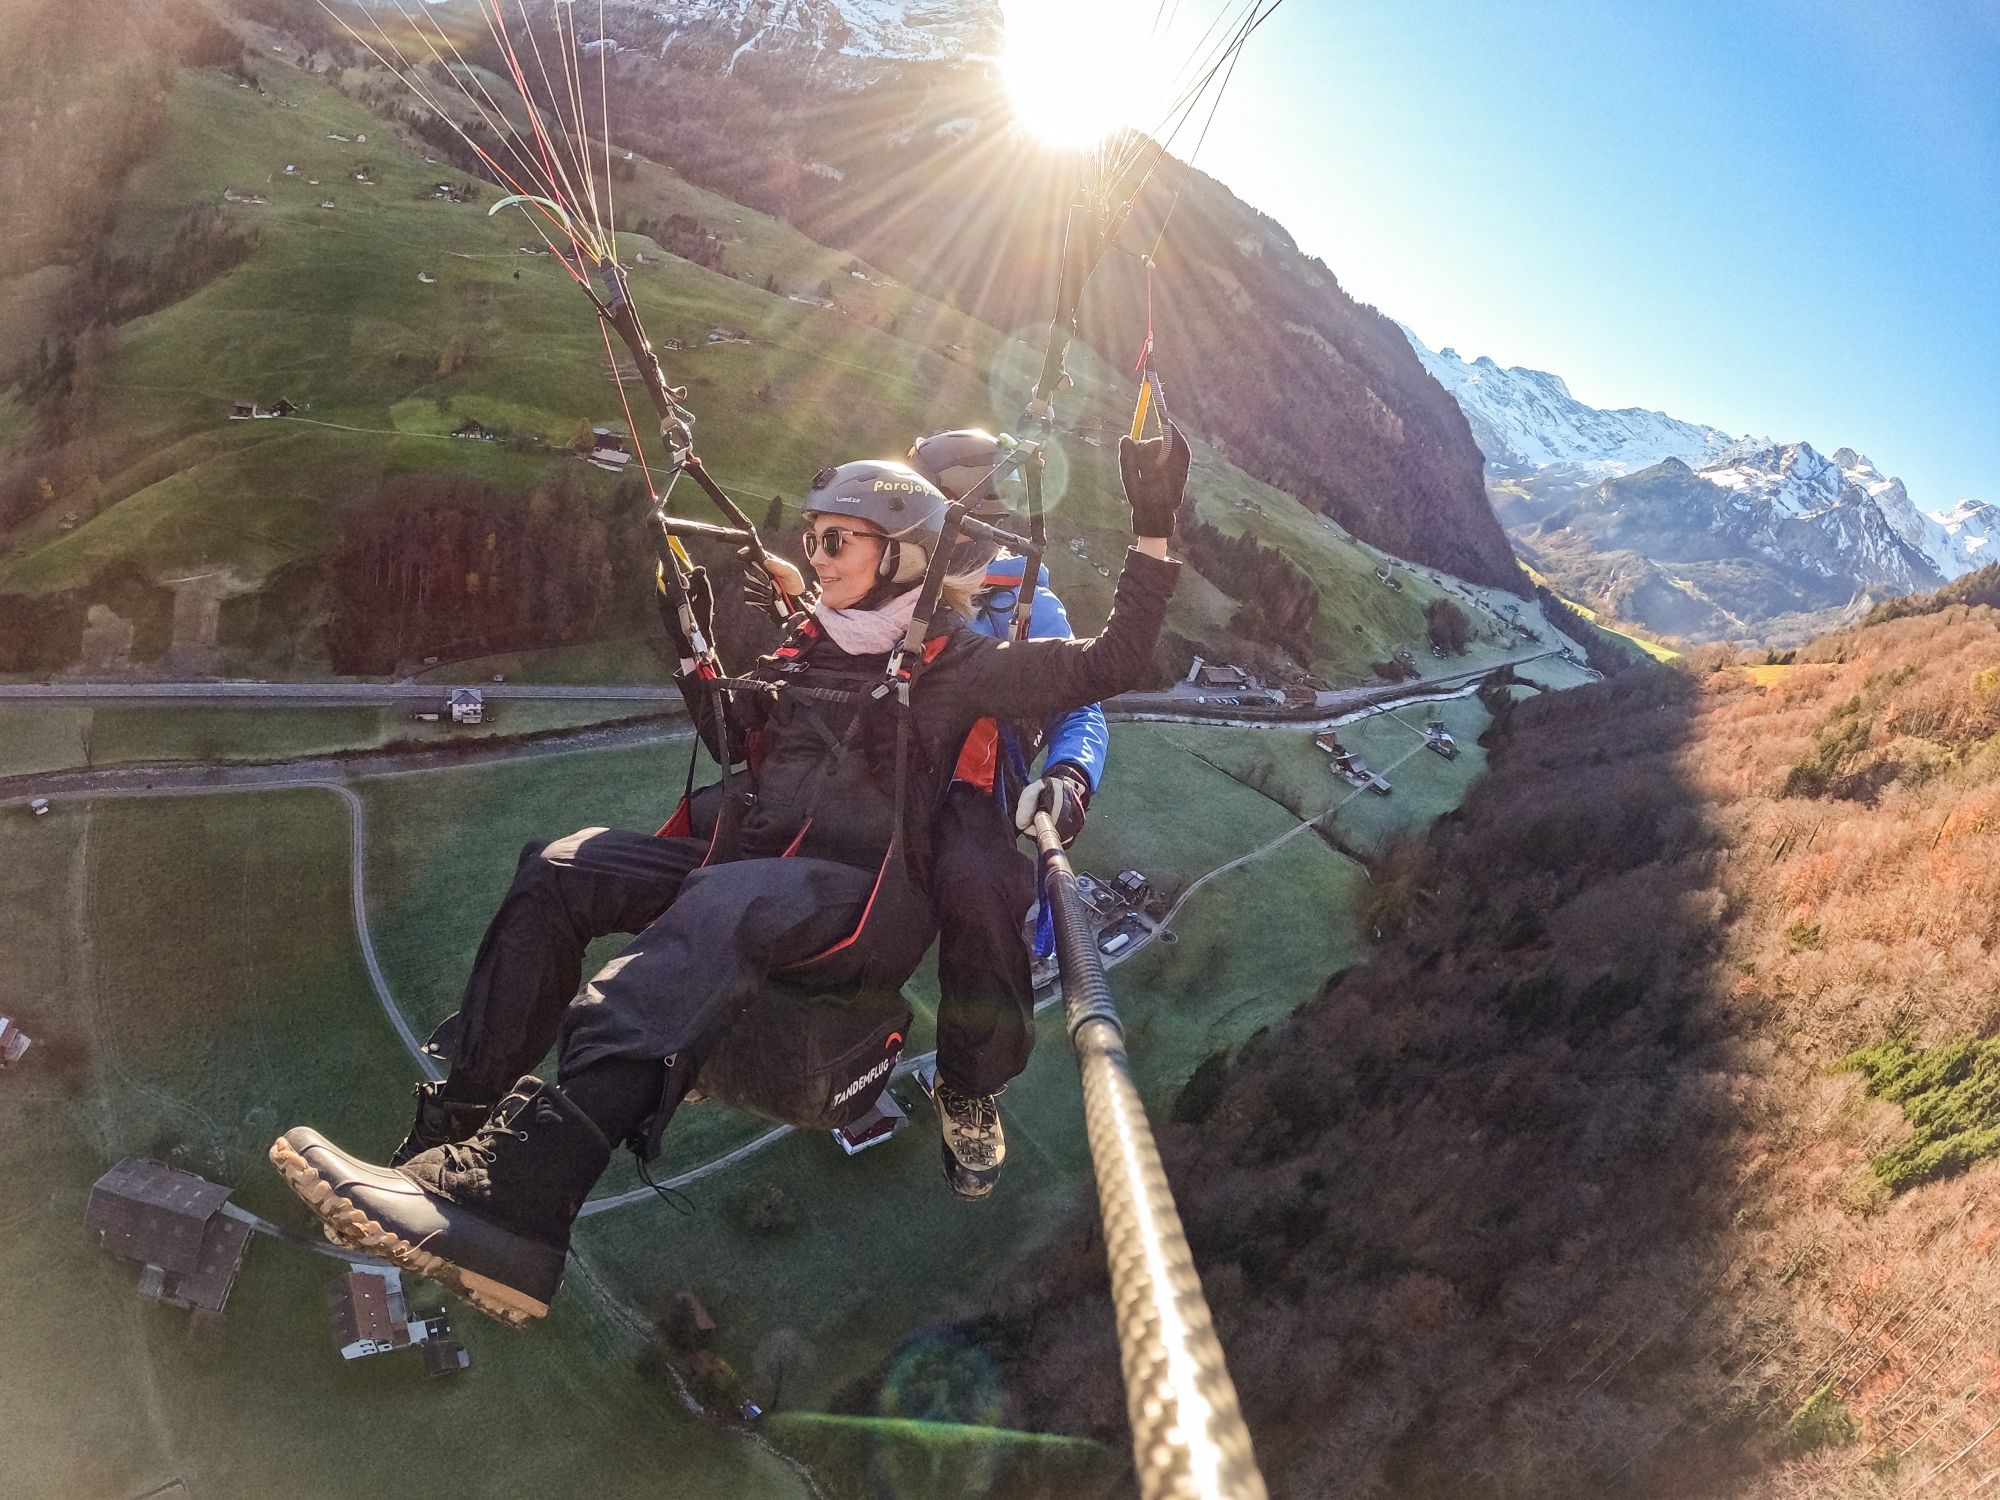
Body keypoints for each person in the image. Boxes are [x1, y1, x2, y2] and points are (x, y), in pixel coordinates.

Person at [268, 428, 1192, 1327]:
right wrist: (687, 640)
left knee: (732, 899)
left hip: (859, 900)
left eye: (838, 540)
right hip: (758, 867)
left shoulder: (961, 664)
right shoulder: (807, 647)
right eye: (813, 538)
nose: (817, 556)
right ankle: (455, 1130)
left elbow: (1114, 666)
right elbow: (731, 739)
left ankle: (520, 1198)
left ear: (905, 556)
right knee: (558, 868)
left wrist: (1153, 525)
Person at [903, 428, 1106, 1200]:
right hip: (877, 771)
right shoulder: (895, 573)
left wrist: (1067, 776)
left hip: (965, 785)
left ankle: (970, 1081)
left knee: (985, 890)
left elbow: (1075, 701)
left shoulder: (1026, 604)